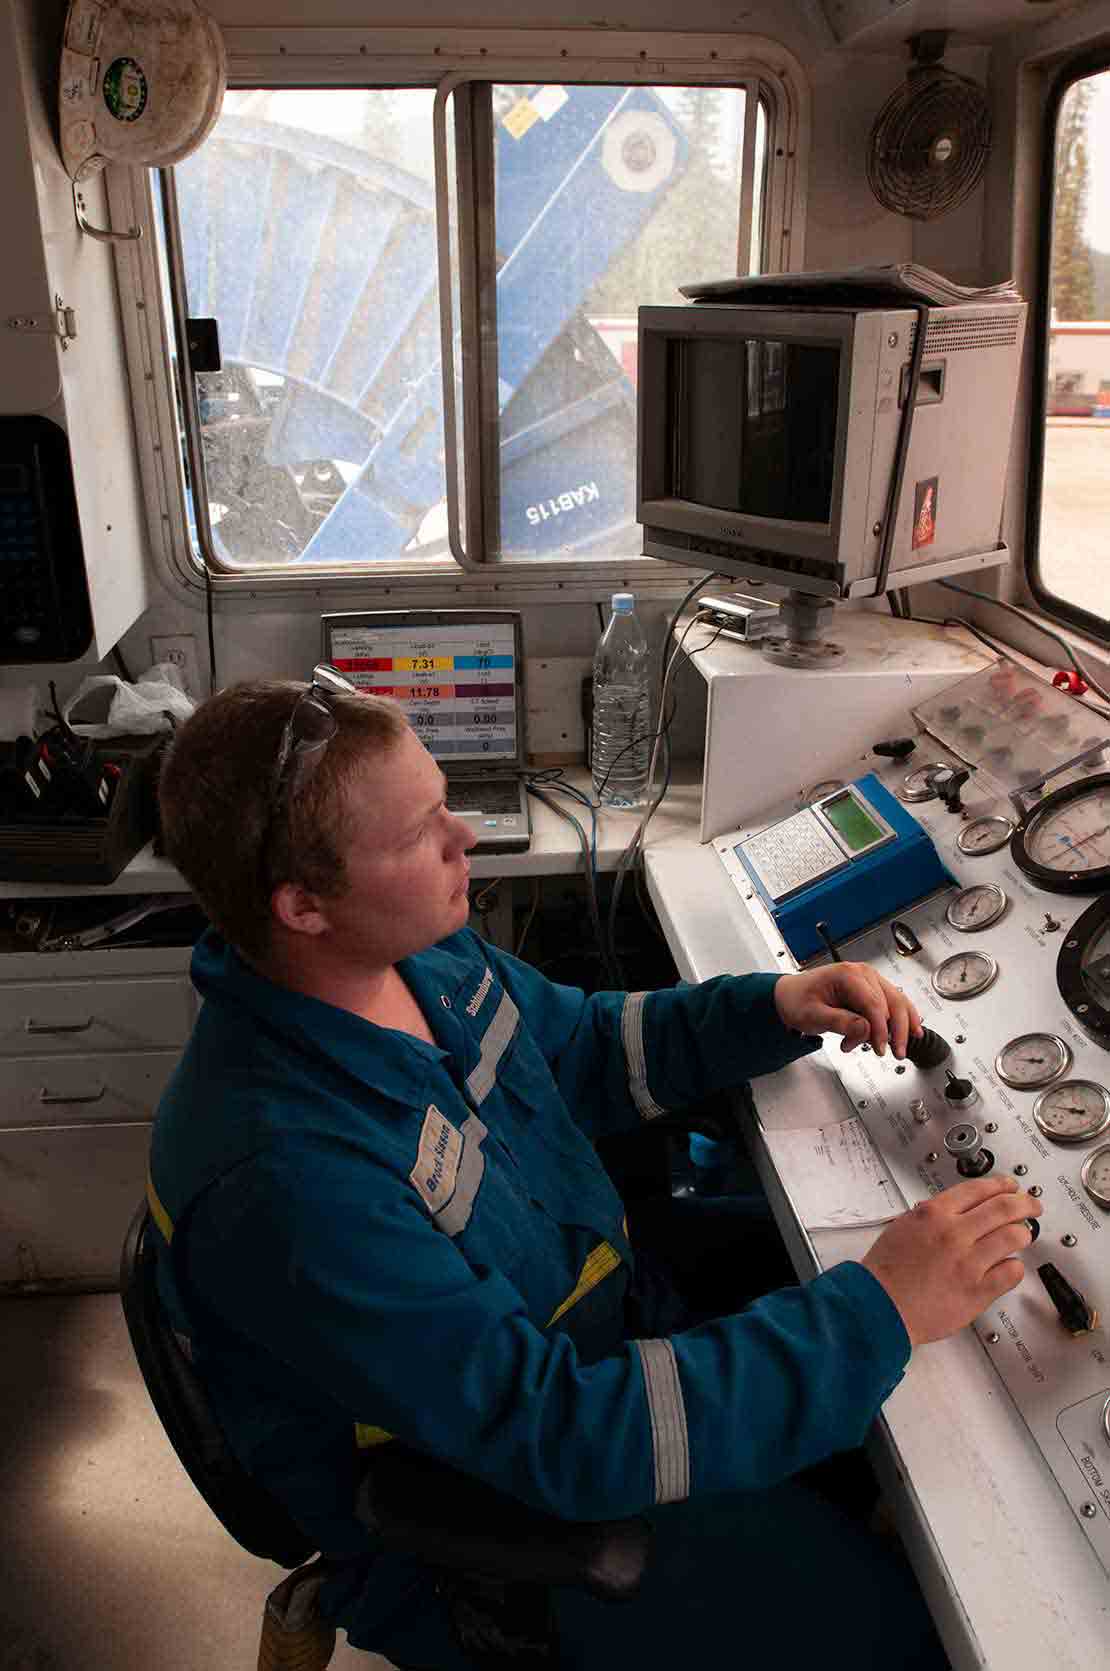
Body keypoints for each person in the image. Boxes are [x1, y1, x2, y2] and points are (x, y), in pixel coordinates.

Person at [149, 667, 1041, 1670]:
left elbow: (578, 1049)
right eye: (418, 836)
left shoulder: (411, 957)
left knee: (873, 1321)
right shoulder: (284, 1180)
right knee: (914, 1633)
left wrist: (773, 1009)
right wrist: (879, 1309)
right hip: (514, 1521)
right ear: (303, 906)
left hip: (593, 1306)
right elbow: (563, 1435)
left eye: (448, 804)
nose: (467, 840)